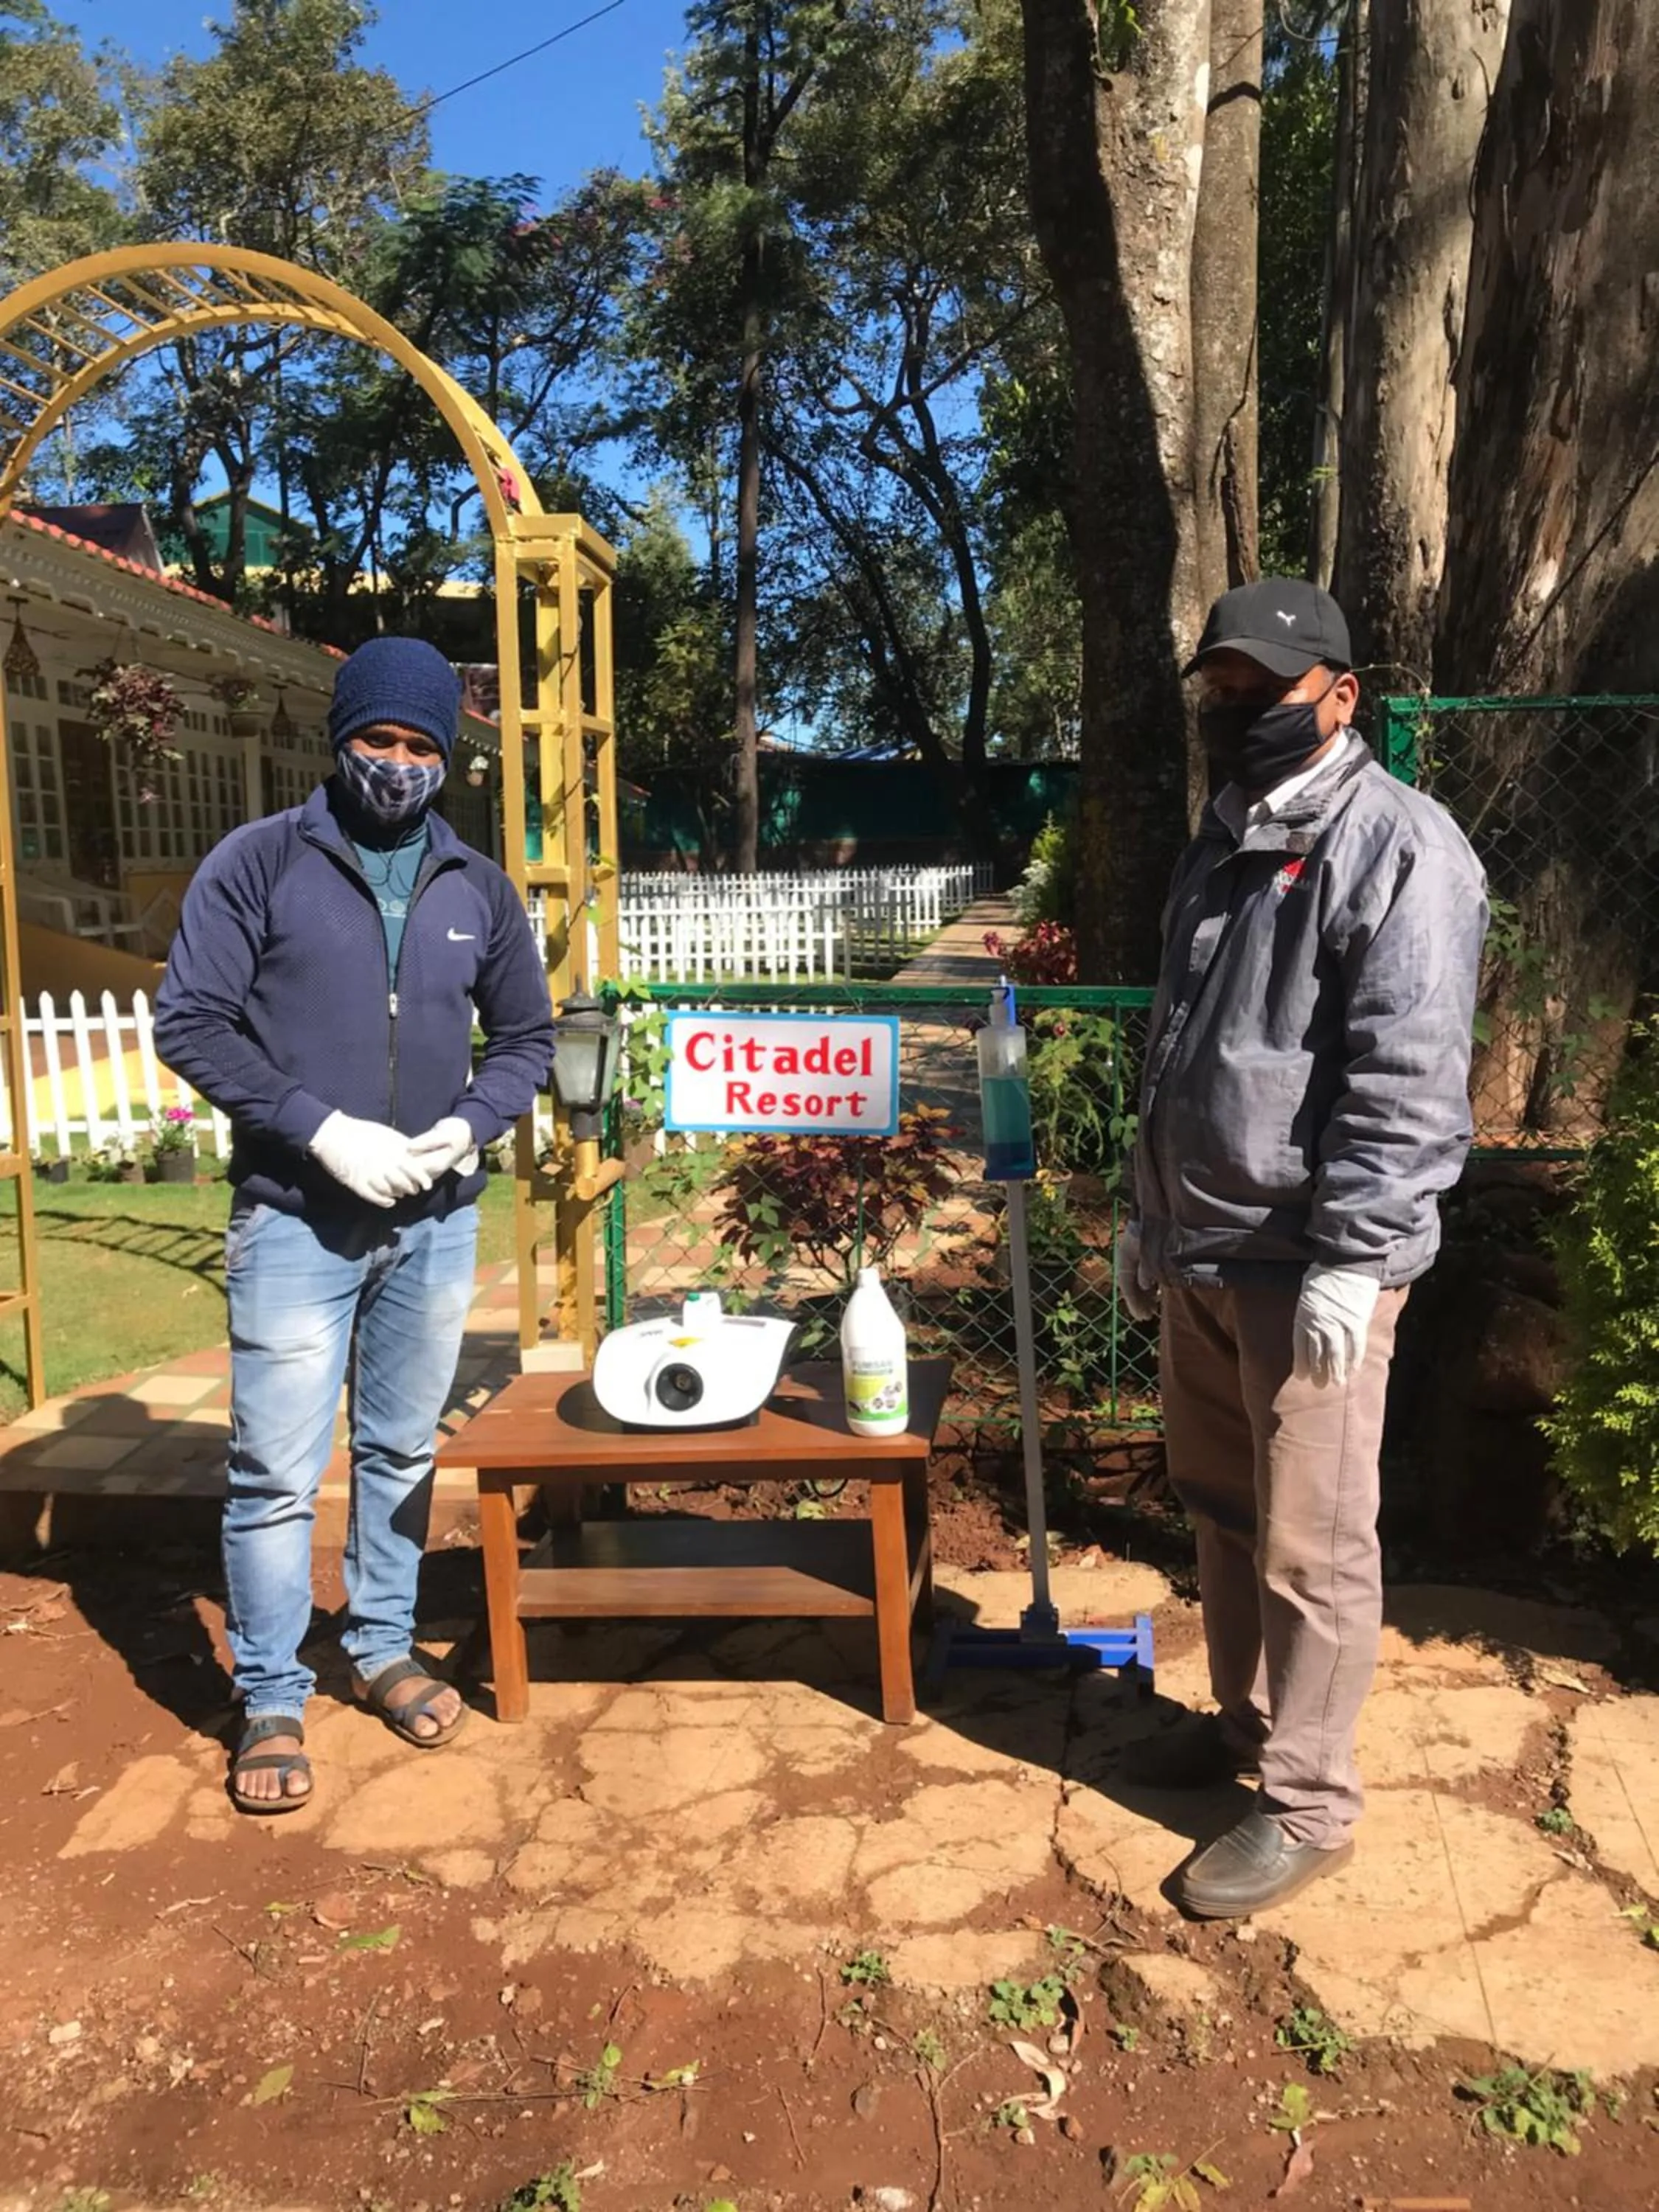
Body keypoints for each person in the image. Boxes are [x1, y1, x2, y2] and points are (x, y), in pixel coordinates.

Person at [1116, 578, 1487, 1917]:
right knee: (1222, 1520)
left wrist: (1357, 1254)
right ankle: (1242, 1730)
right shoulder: (1220, 834)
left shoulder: (1401, 847)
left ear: (1338, 693)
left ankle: (1310, 1803)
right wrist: (1138, 1211)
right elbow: (1175, 1046)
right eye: (1219, 688)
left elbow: (1407, 1073)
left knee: (1313, 1550)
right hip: (1203, 1248)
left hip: (1309, 1267)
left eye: (1262, 688)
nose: (1236, 710)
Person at [155, 637, 554, 1815]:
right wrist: (318, 1128)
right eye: (378, 739)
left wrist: (471, 1124)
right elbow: (192, 1022)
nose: (398, 763)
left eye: (422, 745)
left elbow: (527, 1038)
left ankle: (378, 1644)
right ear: (340, 740)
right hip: (293, 1218)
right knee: (275, 1472)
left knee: (401, 1448)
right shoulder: (258, 864)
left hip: (432, 1223)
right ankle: (270, 1695)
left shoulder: (475, 886)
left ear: (449, 757)